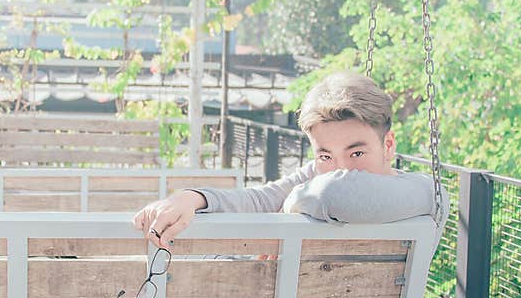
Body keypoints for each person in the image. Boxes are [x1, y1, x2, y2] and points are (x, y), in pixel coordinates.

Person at [132, 70, 450, 249]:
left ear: (388, 144)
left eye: (356, 152)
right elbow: (261, 199)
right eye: (326, 155)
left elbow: (332, 193)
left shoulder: (424, 194)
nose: (340, 169)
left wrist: (292, 201)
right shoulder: (317, 178)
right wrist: (195, 198)